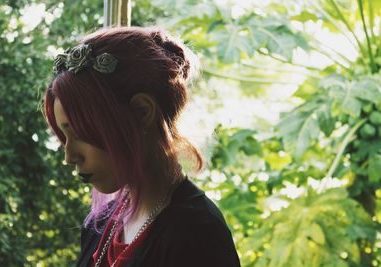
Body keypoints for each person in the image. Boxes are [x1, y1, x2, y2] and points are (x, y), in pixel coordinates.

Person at [43, 26, 241, 267]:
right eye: (64, 136)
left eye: (82, 134)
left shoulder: (197, 234)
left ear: (142, 112)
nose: (69, 156)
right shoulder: (101, 223)